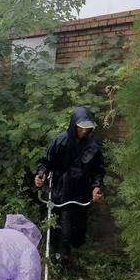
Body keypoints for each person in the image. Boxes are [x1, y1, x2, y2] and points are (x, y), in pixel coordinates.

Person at [34, 107, 105, 264]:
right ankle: (57, 254)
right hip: (60, 189)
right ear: (74, 126)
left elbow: (98, 171)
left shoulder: (94, 147)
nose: (84, 132)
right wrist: (40, 175)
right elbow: (46, 162)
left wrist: (96, 187)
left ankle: (70, 253)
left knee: (77, 227)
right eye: (82, 128)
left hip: (81, 192)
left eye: (88, 129)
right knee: (59, 224)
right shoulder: (61, 141)